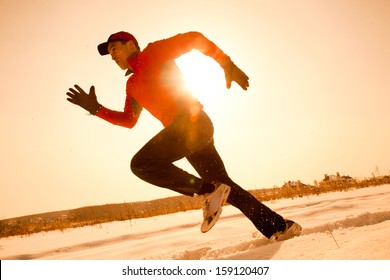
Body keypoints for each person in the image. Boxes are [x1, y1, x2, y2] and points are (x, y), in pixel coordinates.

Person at [66, 31, 301, 240]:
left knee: (142, 164)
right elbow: (129, 120)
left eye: (114, 48)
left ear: (131, 45)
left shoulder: (153, 52)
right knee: (225, 187)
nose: (112, 56)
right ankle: (280, 227)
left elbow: (194, 39)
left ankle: (208, 191)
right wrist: (96, 109)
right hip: (186, 136)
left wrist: (225, 63)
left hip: (193, 123)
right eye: (109, 53)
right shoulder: (132, 84)